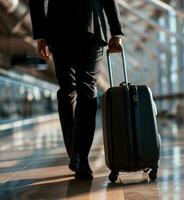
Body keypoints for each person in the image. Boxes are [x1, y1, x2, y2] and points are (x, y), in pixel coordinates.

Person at [28, 0, 124, 180]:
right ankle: (80, 157)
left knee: (67, 90)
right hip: (91, 25)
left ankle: (76, 153)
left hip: (58, 27)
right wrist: (116, 31)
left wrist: (41, 36)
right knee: (86, 90)